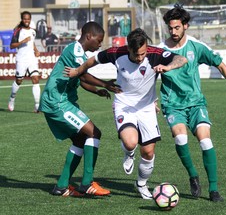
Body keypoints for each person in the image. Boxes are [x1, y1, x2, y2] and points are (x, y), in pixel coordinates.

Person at [63, 28, 188, 200]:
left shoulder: (155, 53)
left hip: (146, 108)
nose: (140, 58)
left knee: (148, 152)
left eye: (143, 54)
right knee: (130, 143)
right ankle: (129, 153)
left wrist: (168, 66)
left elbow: (181, 59)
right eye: (136, 54)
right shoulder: (116, 52)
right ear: (128, 48)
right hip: (124, 103)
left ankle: (141, 184)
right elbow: (93, 60)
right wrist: (77, 71)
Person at [160, 6, 226, 202]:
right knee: (180, 138)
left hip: (195, 103)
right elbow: (150, 73)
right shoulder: (161, 49)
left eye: (177, 28)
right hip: (172, 104)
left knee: (205, 140)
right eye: (171, 28)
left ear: (186, 26)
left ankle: (213, 190)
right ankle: (193, 175)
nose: (174, 32)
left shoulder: (196, 46)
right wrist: (151, 100)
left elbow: (220, 64)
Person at [39, 21, 122, 197]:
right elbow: (83, 74)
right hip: (57, 102)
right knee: (94, 133)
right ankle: (87, 183)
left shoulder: (79, 54)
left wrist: (97, 91)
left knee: (80, 140)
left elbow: (81, 80)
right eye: (99, 40)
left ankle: (61, 186)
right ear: (88, 36)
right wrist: (106, 84)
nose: (100, 44)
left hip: (60, 101)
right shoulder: (75, 50)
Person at [8, 11, 41, 112]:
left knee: (35, 79)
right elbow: (11, 45)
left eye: (28, 19)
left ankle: (37, 106)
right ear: (22, 19)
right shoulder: (17, 30)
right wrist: (22, 41)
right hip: (21, 59)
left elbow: (32, 43)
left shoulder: (33, 31)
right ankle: (12, 99)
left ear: (30, 19)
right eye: (24, 18)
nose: (26, 20)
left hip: (32, 59)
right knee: (19, 81)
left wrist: (36, 50)